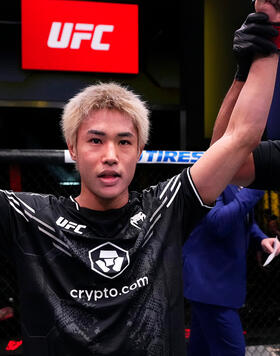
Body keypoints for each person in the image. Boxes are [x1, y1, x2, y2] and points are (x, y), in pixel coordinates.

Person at [0, 1, 279, 355]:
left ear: (140, 150)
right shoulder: (30, 218)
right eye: (95, 140)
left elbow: (240, 139)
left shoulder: (164, 209)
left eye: (124, 141)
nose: (111, 155)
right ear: (72, 148)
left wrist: (267, 41)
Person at [182, 185, 271, 356]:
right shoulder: (216, 179)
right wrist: (255, 189)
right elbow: (218, 223)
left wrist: (261, 239)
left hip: (215, 284)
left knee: (201, 349)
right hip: (210, 285)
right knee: (232, 351)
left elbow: (244, 219)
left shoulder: (238, 183)